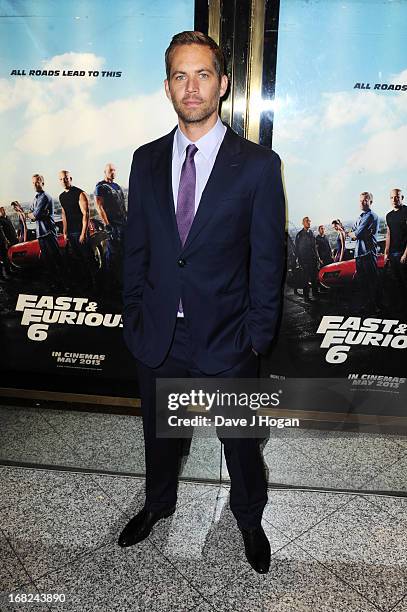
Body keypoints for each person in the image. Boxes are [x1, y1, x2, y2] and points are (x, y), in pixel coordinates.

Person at [119, 31, 285, 574]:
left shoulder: (259, 165)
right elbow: (136, 250)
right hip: (160, 335)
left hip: (229, 337)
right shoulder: (144, 162)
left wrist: (256, 336)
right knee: (161, 437)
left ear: (224, 84)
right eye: (180, 76)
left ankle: (249, 519)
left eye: (203, 75)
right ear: (167, 86)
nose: (192, 87)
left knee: (240, 444)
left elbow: (267, 261)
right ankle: (158, 504)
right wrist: (136, 318)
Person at [58, 170, 94, 288]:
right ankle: (85, 284)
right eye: (61, 179)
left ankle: (95, 284)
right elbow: (64, 214)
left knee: (88, 258)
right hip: (71, 232)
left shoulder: (80, 193)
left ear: (70, 179)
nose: (64, 181)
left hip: (80, 231)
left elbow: (86, 214)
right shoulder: (61, 196)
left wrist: (83, 233)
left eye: (66, 178)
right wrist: (64, 232)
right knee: (78, 259)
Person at [94, 163, 127, 287]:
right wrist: (107, 225)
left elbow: (122, 206)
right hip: (112, 225)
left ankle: (120, 282)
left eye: (114, 170)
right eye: (110, 170)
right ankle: (109, 283)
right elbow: (99, 207)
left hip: (123, 224)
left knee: (122, 253)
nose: (112, 172)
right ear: (105, 172)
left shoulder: (117, 186)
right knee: (112, 255)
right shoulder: (100, 187)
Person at [28, 174, 64, 283]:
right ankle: (56, 284)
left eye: (37, 182)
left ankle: (64, 284)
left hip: (48, 232)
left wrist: (34, 215)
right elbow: (31, 214)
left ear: (42, 183)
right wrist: (33, 215)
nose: (35, 185)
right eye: (33, 183)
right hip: (41, 233)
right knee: (48, 261)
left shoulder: (45, 197)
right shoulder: (36, 198)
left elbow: (35, 215)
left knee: (56, 259)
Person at [348, 192, 379, 311]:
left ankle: (376, 307)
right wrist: (354, 234)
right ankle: (368, 306)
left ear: (370, 202)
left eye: (365, 200)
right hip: (359, 253)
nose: (362, 202)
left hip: (368, 253)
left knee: (372, 281)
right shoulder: (360, 217)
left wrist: (354, 234)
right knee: (363, 282)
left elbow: (357, 234)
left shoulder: (371, 216)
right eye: (360, 200)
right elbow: (354, 233)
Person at [384, 188, 407, 311]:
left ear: (402, 198)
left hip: (404, 253)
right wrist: (386, 252)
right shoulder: (389, 215)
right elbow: (388, 234)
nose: (394, 199)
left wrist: (405, 254)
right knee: (397, 282)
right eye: (392, 197)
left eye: (397, 197)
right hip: (393, 254)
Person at [295, 216, 319, 301]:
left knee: (314, 278)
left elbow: (314, 247)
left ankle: (315, 293)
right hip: (305, 261)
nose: (309, 222)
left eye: (309, 221)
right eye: (307, 221)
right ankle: (306, 296)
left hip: (313, 260)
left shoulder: (311, 233)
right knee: (305, 279)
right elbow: (297, 249)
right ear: (303, 223)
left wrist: (317, 258)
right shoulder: (299, 235)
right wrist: (300, 262)